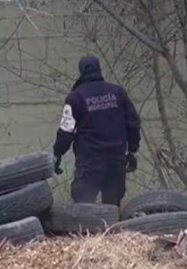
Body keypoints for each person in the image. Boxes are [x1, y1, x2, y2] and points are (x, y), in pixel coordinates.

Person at [52, 55, 141, 207]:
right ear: (99, 69)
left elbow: (66, 131)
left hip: (89, 163)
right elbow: (133, 123)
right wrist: (132, 150)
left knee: (83, 209)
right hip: (116, 161)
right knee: (112, 209)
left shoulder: (75, 97)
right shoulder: (118, 93)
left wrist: (58, 153)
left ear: (81, 72)